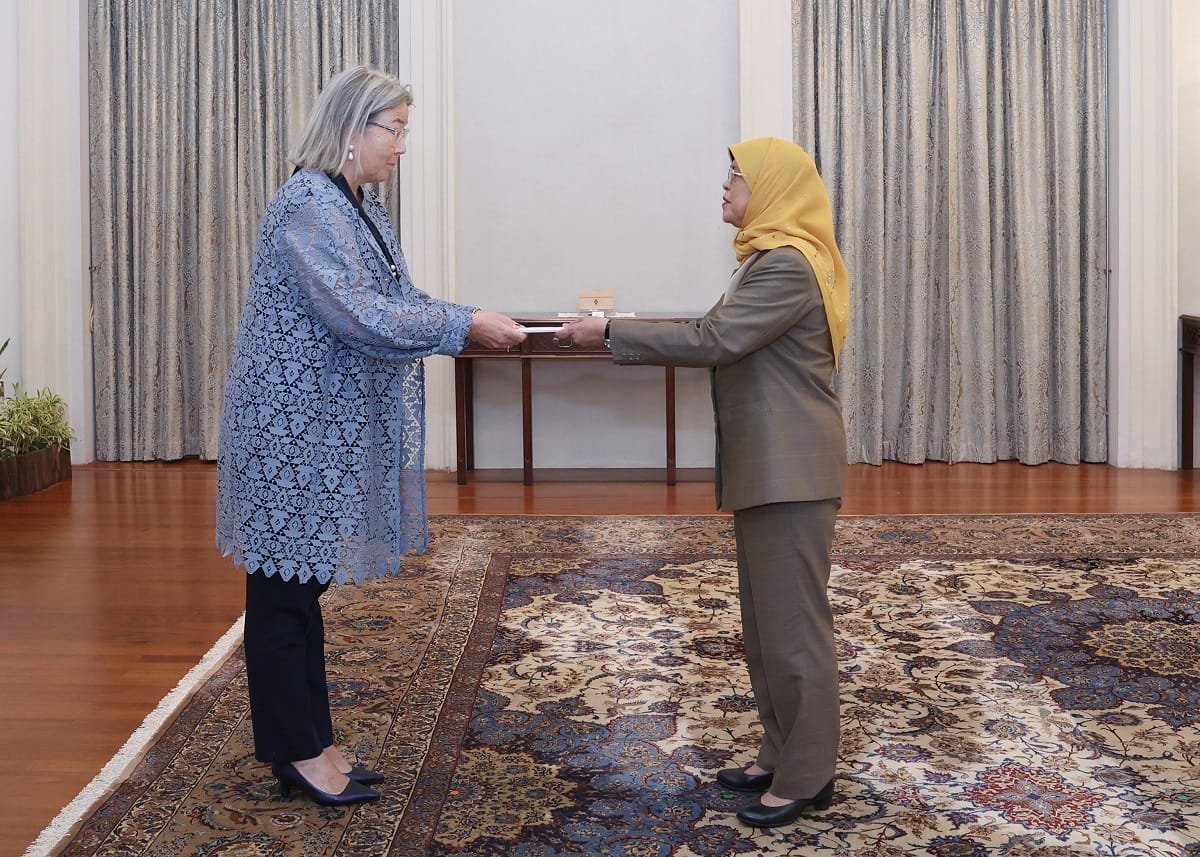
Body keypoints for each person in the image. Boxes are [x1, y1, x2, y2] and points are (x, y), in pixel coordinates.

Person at [215, 66, 526, 807]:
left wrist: (470, 316)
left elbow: (399, 300)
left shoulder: (359, 205)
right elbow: (360, 315)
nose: (403, 146)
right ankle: (297, 752)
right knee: (284, 591)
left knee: (300, 586)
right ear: (353, 130)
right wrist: (463, 326)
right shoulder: (307, 204)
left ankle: (310, 739)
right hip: (290, 433)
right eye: (396, 129)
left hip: (320, 430)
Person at [555, 136, 850, 828]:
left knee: (794, 626)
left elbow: (713, 338)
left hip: (792, 468)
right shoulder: (765, 261)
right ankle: (780, 750)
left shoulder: (787, 267)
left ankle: (809, 774)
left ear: (774, 187)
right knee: (766, 623)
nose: (725, 186)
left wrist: (609, 331)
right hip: (769, 466)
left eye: (738, 175)